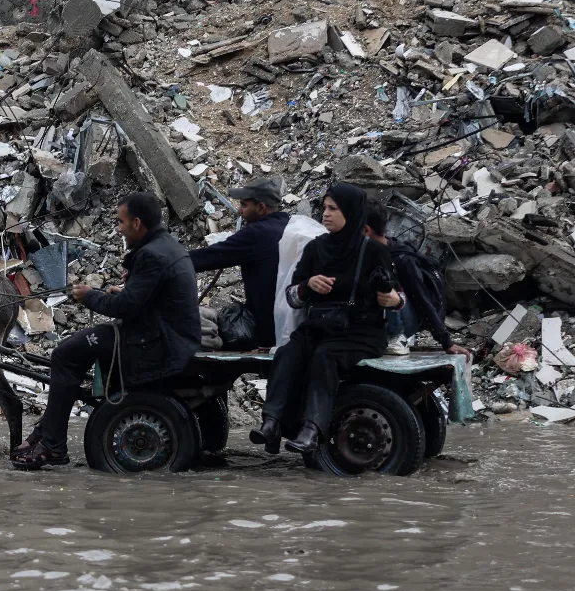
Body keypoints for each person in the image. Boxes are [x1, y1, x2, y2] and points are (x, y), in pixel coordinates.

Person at [13, 192, 201, 470]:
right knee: (76, 350)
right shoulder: (166, 246)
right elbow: (143, 297)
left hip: (157, 341)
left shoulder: (151, 255)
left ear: (137, 223)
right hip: (164, 331)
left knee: (65, 355)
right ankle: (47, 430)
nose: (118, 228)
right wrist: (122, 292)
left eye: (121, 222)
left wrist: (90, 296)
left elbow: (126, 307)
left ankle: (52, 444)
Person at [250, 183, 405, 455]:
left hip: (361, 331)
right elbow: (292, 296)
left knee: (325, 356)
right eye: (325, 207)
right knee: (289, 352)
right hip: (320, 326)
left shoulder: (373, 251)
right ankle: (271, 423)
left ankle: (312, 430)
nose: (326, 214)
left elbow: (398, 296)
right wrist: (308, 285)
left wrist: (392, 299)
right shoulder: (315, 248)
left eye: (333, 208)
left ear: (352, 213)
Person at [363, 200, 473, 362]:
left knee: (384, 281)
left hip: (406, 318)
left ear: (366, 230)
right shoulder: (363, 251)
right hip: (378, 317)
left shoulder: (401, 259)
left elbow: (422, 298)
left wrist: (446, 342)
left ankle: (396, 337)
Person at [189, 177, 290, 349]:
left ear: (260, 208)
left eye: (244, 205)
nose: (239, 210)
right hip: (291, 324)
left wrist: (162, 263)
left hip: (267, 330)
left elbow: (209, 256)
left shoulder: (257, 233)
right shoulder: (289, 226)